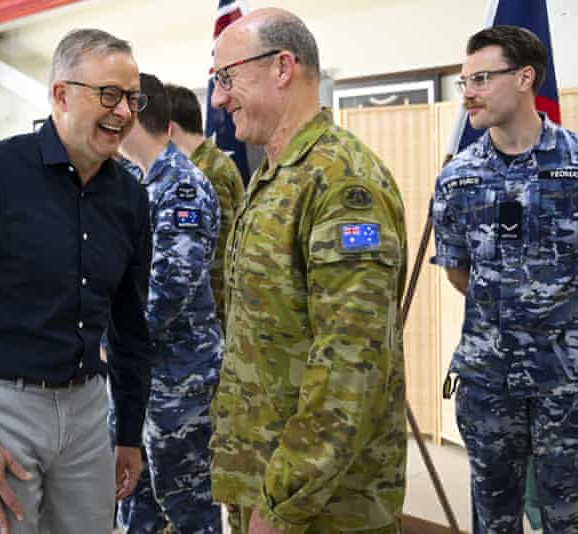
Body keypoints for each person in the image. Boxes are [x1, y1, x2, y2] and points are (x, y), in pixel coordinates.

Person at [0, 28, 154, 534]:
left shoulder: (130, 199)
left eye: (132, 98)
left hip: (87, 414)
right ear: (61, 94)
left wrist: (128, 431)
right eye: (109, 94)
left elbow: (130, 329)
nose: (124, 112)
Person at [207, 8, 408, 534]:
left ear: (281, 68)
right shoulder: (276, 175)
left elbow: (350, 365)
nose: (218, 99)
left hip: (323, 507)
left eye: (226, 78)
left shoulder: (341, 183)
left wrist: (282, 503)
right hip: (266, 483)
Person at [431, 25, 578, 533]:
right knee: (493, 515)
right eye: (464, 80)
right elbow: (456, 270)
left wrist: (562, 317)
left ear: (525, 78)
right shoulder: (457, 177)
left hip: (567, 378)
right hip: (488, 378)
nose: (467, 91)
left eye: (481, 78)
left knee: (572, 515)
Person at [115, 72, 223, 533]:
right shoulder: (129, 180)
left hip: (179, 381)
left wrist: (115, 340)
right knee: (135, 502)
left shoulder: (182, 186)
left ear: (134, 110)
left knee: (185, 505)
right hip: (138, 378)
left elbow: (171, 288)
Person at [165, 83, 244, 334]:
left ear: (169, 129)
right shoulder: (208, 162)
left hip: (213, 318)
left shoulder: (206, 171)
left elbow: (217, 254)